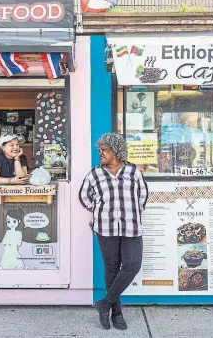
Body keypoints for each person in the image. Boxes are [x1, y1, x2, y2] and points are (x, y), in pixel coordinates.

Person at [79, 133, 149, 330]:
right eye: (99, 149)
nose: (100, 153)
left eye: (104, 149)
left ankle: (105, 303)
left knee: (132, 265)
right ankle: (117, 314)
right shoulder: (95, 173)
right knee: (111, 268)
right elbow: (84, 196)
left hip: (131, 225)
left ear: (116, 151)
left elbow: (143, 195)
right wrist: (99, 210)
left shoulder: (133, 171)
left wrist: (133, 211)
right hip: (105, 227)